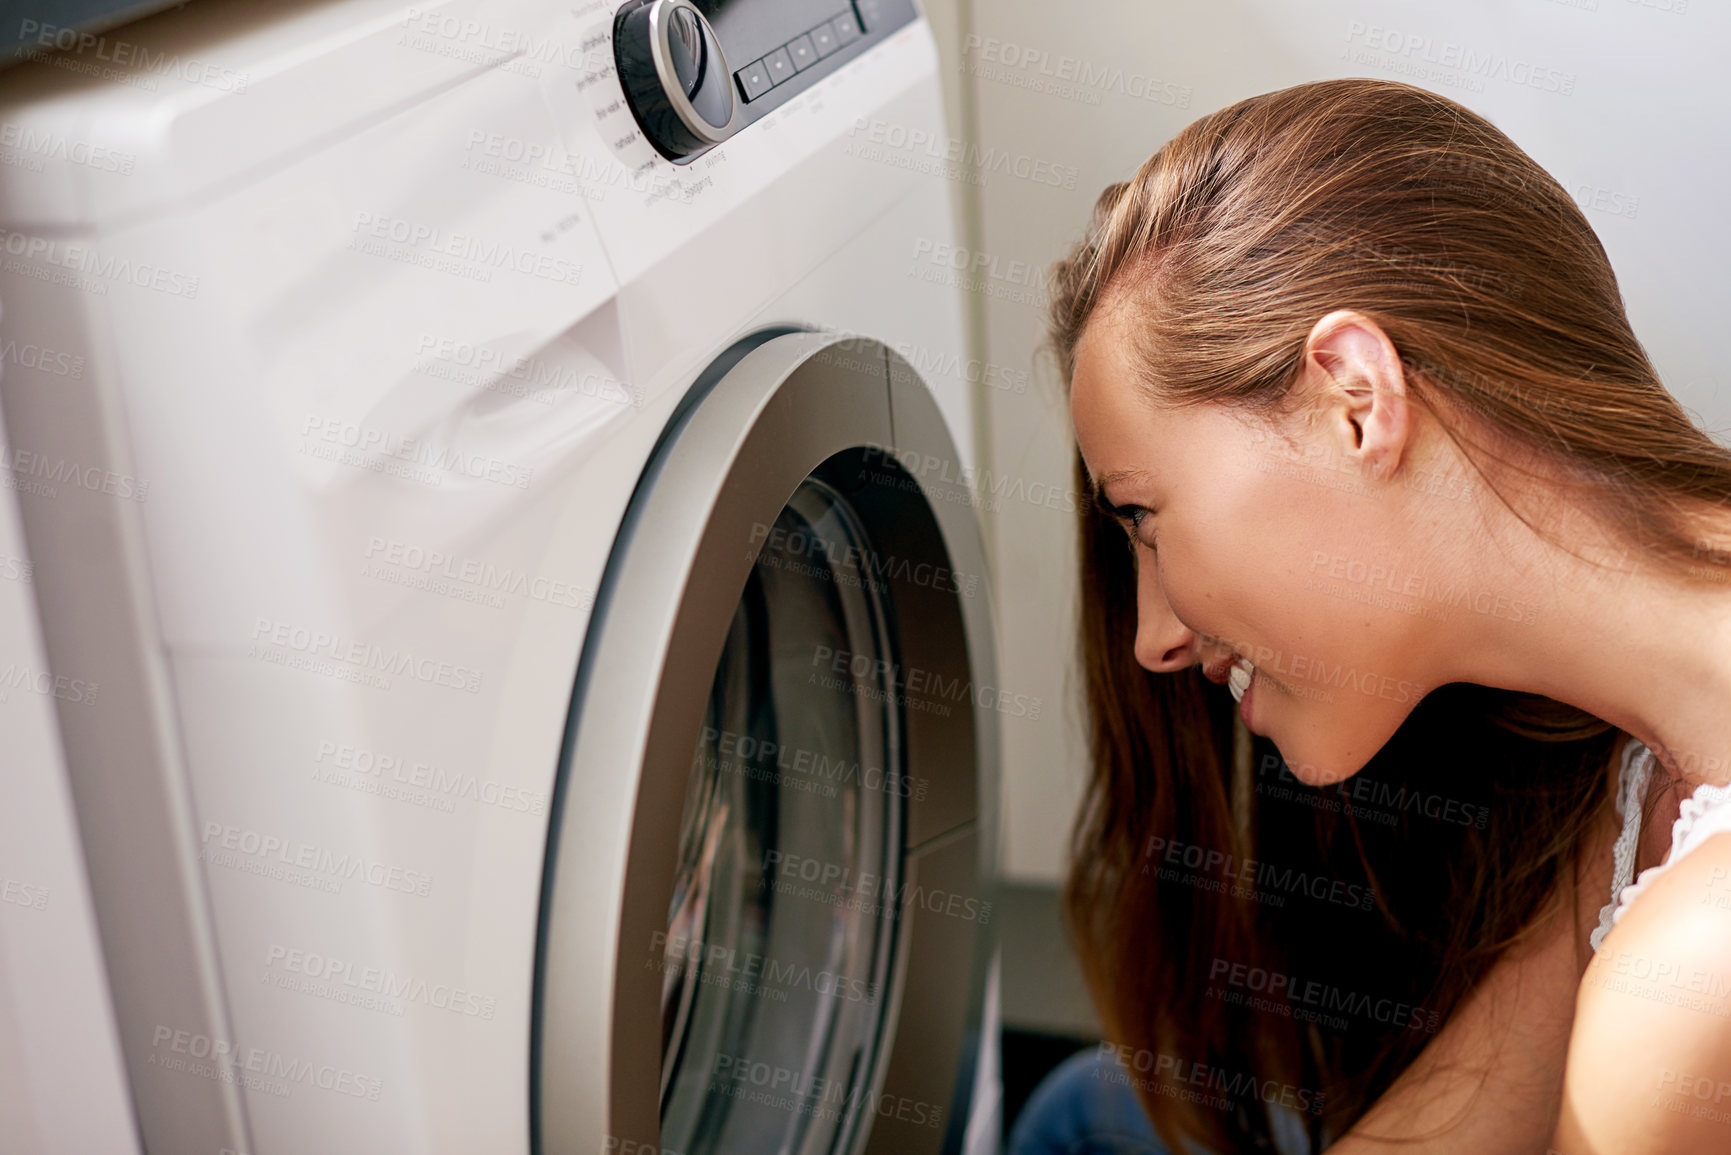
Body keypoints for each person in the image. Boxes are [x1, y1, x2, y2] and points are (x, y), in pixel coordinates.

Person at [1016, 76, 1731, 1154]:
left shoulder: (1684, 988)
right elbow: (1475, 1102)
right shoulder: (1653, 745)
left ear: (1357, 400)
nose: (1151, 638)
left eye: (1145, 517)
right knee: (1087, 1108)